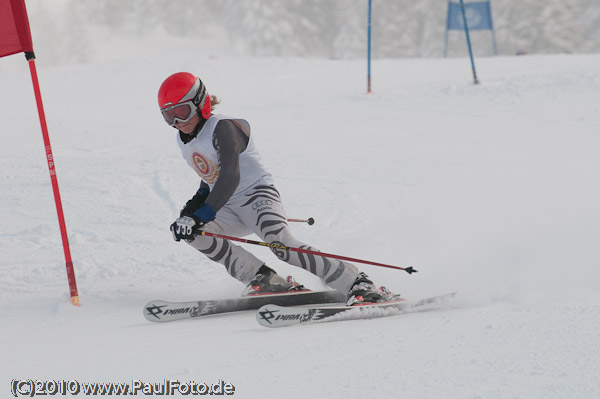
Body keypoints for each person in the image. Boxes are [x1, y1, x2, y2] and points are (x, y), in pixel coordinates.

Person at [158, 72, 397, 305]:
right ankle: (263, 278)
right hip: (227, 205)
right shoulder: (184, 140)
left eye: (182, 111)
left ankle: (357, 282)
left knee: (281, 246)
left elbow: (230, 176)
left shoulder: (223, 128)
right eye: (169, 116)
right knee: (195, 234)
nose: (178, 121)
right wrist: (190, 214)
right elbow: (209, 180)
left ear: (201, 103)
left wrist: (203, 213)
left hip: (257, 196)